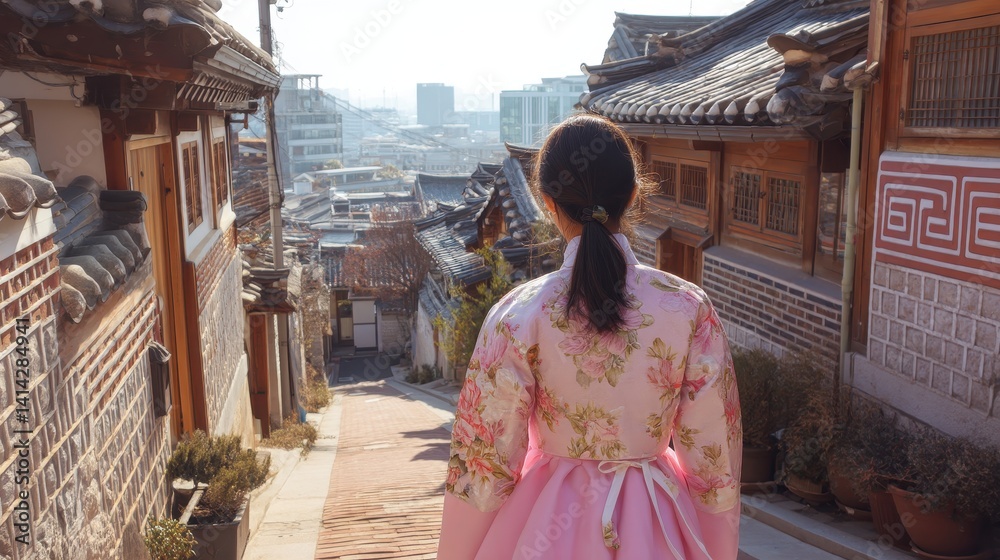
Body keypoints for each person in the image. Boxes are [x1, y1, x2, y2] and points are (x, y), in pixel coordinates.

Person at [436, 114, 742, 560]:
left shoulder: (518, 314)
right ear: (634, 195)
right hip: (657, 519)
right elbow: (716, 455)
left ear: (546, 203)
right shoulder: (688, 307)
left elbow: (483, 462)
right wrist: (715, 546)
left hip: (546, 524)